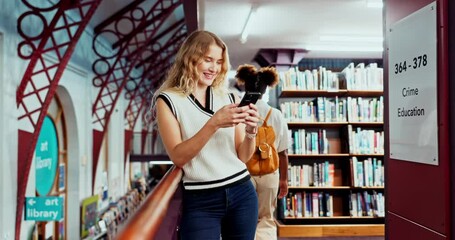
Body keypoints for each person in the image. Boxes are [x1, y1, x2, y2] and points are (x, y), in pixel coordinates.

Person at [153, 30, 260, 240]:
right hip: (201, 199)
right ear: (189, 59)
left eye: (219, 61)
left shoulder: (228, 96)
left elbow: (243, 157)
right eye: (207, 60)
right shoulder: (167, 100)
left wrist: (251, 131)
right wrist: (213, 124)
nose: (214, 68)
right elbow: (178, 157)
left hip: (242, 192)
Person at [235, 64, 289, 240]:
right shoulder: (276, 114)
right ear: (266, 89)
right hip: (269, 173)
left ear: (245, 85)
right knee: (266, 219)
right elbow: (283, 152)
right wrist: (283, 180)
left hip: (243, 174)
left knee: (242, 218)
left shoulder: (237, 111)